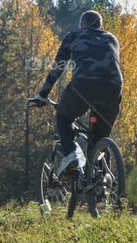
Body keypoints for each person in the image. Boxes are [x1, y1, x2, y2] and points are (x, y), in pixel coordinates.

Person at [28, 10, 123, 177]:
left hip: (84, 86)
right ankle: (103, 183)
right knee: (100, 138)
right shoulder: (112, 38)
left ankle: (71, 154)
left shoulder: (74, 36)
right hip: (113, 89)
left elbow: (58, 67)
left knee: (63, 117)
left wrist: (43, 95)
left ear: (82, 25)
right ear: (101, 26)